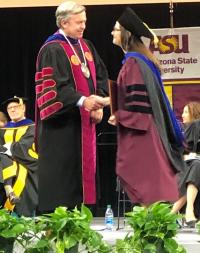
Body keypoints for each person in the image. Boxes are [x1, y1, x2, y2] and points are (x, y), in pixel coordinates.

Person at [35, 1, 109, 213]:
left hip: (83, 124)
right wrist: (83, 101)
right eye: (79, 22)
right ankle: (60, 233)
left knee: (80, 185)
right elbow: (55, 86)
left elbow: (101, 78)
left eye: (84, 21)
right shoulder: (52, 49)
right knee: (63, 183)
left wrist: (99, 105)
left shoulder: (86, 46)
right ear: (64, 22)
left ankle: (78, 226)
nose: (83, 26)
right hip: (62, 128)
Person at [108, 7, 185, 206]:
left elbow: (138, 106)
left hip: (142, 133)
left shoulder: (134, 63)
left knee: (148, 187)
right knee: (150, 187)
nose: (112, 32)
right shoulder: (142, 61)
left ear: (127, 34)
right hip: (148, 130)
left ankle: (150, 232)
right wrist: (109, 102)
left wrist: (119, 115)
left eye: (116, 29)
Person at [0, 96, 38, 216]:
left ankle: (8, 188)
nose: (12, 110)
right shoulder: (3, 129)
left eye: (15, 107)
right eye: (9, 108)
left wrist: (8, 148)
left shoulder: (32, 127)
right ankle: (8, 190)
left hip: (27, 164)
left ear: (23, 108)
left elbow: (25, 147)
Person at [172, 102, 200, 227]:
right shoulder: (178, 130)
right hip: (179, 168)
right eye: (183, 111)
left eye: (186, 112)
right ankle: (188, 210)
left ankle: (171, 214)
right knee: (196, 166)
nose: (182, 115)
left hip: (192, 168)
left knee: (197, 166)